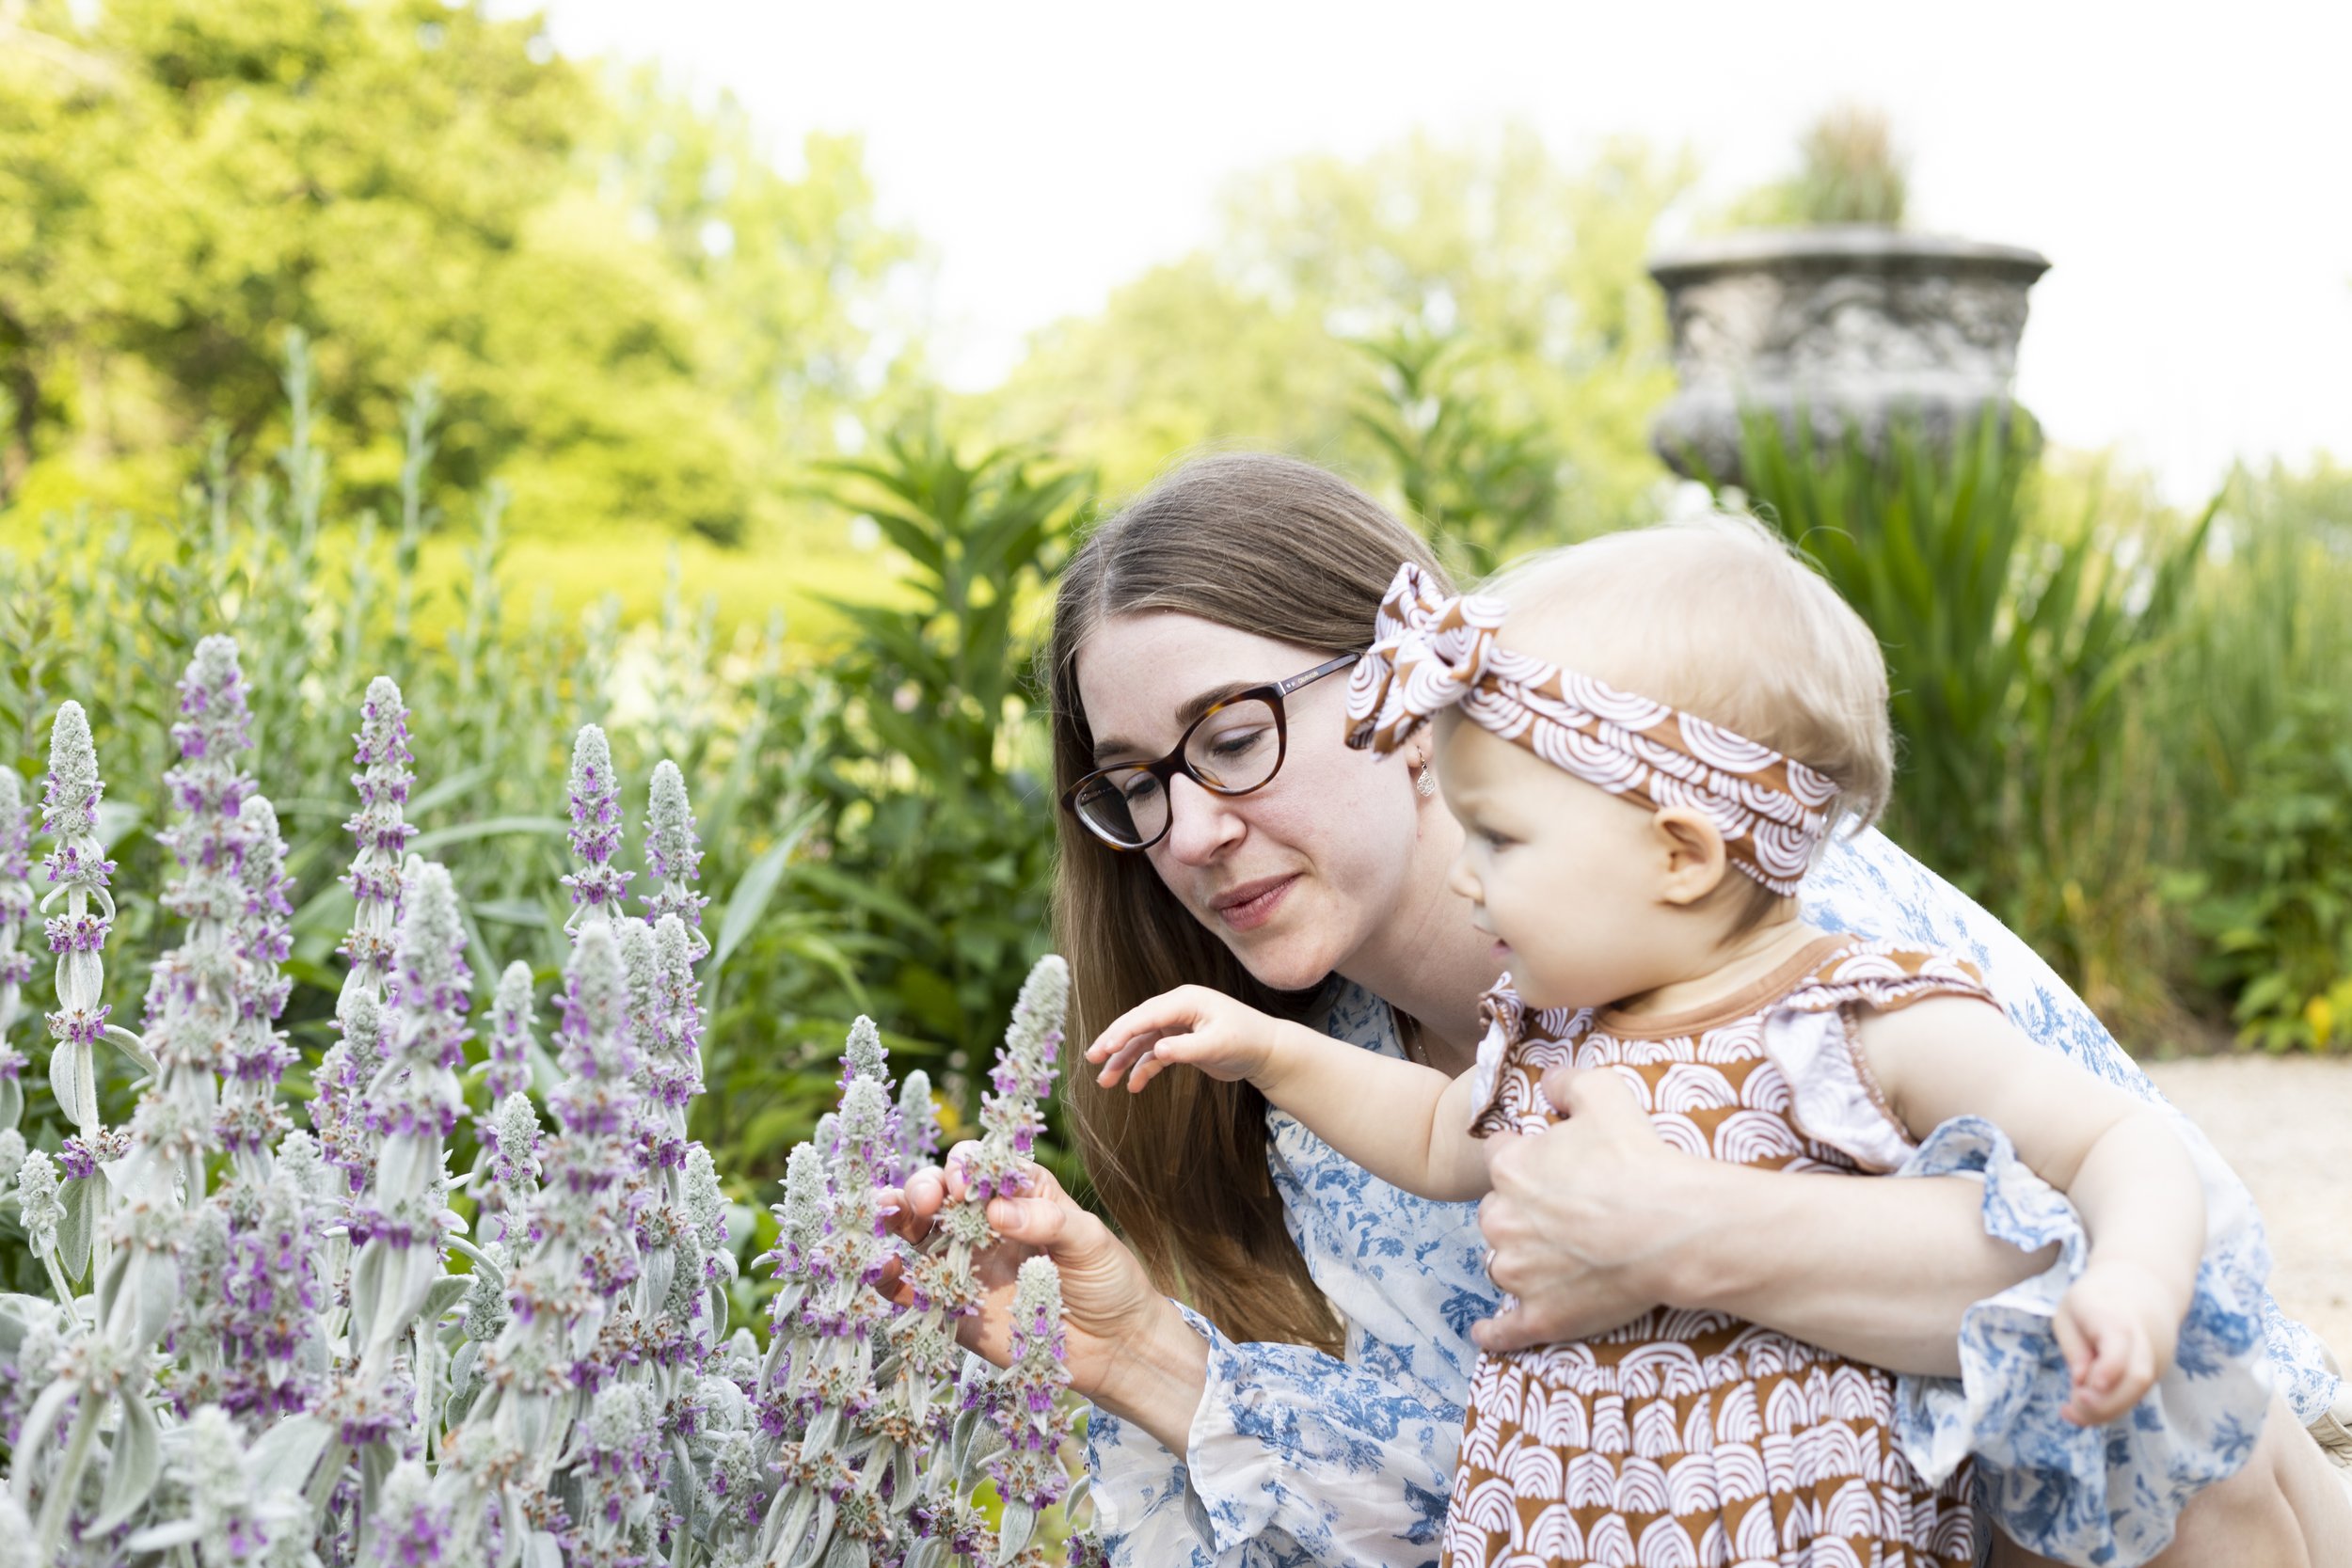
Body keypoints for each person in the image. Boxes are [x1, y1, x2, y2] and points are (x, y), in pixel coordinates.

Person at [891, 453, 2349, 1567]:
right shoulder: (1337, 1099)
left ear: (1410, 689)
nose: (1190, 829)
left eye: (1232, 735)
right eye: (1139, 781)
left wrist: (1677, 1235)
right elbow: (1483, 1488)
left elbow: (2169, 1272)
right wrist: (1139, 1347)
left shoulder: (1760, 907)